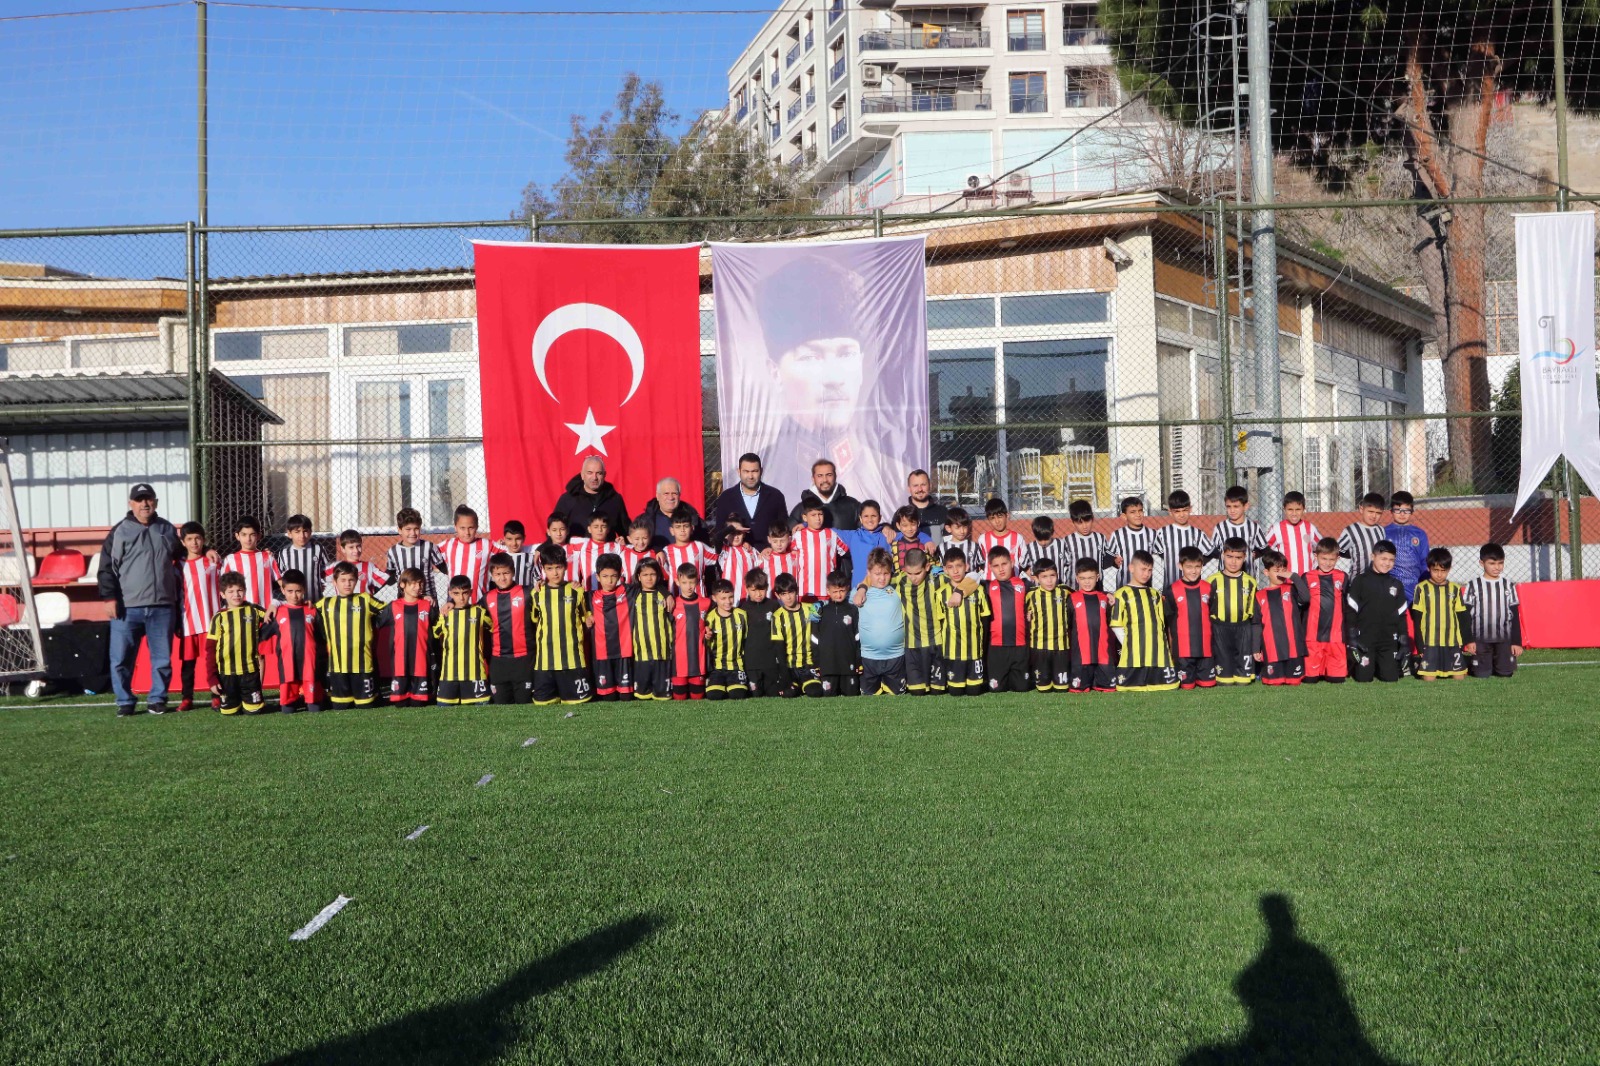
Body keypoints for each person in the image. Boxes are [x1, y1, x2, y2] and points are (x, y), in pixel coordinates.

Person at [749, 254, 909, 507]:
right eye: (811, 357)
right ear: (775, 371)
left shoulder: (897, 479)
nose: (833, 378)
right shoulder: (760, 477)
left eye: (846, 354)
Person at [100, 483, 187, 716]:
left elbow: (184, 553)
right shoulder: (120, 531)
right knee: (120, 659)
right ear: (131, 504)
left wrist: (206, 548)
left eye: (148, 499)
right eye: (139, 500)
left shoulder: (166, 529)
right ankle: (125, 701)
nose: (145, 504)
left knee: (161, 659)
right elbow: (107, 568)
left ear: (156, 502)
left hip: (162, 607)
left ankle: (157, 699)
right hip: (127, 608)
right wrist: (109, 597)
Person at [317, 560, 384, 708]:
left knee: (365, 706)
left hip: (363, 665)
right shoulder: (325, 604)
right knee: (341, 707)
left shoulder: (365, 599)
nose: (347, 584)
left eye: (351, 580)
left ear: (356, 581)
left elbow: (389, 610)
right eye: (343, 580)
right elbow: (306, 613)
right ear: (334, 582)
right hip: (337, 667)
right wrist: (277, 604)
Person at [530, 544, 592, 706]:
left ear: (565, 566)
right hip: (545, 659)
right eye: (550, 568)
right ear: (543, 569)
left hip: (572, 658)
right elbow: (534, 620)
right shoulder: (537, 593)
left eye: (558, 567)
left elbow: (587, 617)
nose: (555, 572)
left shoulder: (576, 591)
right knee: (543, 705)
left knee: (578, 703)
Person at [1343, 540, 1410, 684]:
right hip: (1365, 639)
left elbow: (1402, 615)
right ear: (1373, 556)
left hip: (1388, 640)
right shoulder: (1360, 581)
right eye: (1383, 558)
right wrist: (1352, 637)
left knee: (1391, 678)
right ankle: (1353, 664)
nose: (1387, 563)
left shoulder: (1396, 584)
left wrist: (1404, 640)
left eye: (1391, 560)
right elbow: (1351, 611)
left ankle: (1384, 664)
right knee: (1363, 678)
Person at [1110, 550, 1178, 692]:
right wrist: (1129, 643)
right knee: (1128, 687)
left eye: (1149, 570)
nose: (1146, 573)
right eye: (1143, 569)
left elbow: (1161, 624)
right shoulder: (1121, 593)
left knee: (1166, 686)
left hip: (1157, 649)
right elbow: (1116, 624)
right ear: (1131, 568)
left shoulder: (1155, 594)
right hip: (1134, 650)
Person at [207, 572, 269, 715]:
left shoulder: (254, 610)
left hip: (250, 671)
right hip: (226, 673)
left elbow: (273, 616)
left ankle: (251, 699)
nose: (236, 594)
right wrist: (211, 677)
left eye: (240, 590)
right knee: (229, 712)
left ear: (245, 591)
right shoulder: (219, 617)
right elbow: (210, 649)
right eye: (231, 591)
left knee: (255, 711)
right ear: (222, 594)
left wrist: (275, 605)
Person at [264, 568, 322, 713]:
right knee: (287, 710)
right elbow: (262, 633)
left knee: (315, 708)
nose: (294, 595)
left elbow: (322, 636)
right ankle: (291, 699)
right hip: (287, 663)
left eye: (298, 591)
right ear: (283, 590)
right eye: (290, 591)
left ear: (304, 590)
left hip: (310, 663)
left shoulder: (312, 610)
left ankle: (310, 698)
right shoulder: (277, 613)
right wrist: (274, 603)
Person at [176, 521, 220, 713]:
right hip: (188, 621)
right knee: (188, 663)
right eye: (190, 539)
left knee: (214, 660)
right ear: (183, 542)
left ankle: (217, 696)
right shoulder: (178, 565)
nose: (194, 543)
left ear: (203, 540)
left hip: (211, 621)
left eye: (198, 538)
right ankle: (187, 698)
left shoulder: (213, 561)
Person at [1411, 547, 1471, 681]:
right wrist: (1420, 647)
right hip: (1430, 641)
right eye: (1435, 570)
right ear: (1428, 568)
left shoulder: (1455, 589)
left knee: (1459, 677)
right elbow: (1417, 619)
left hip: (1451, 641)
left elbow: (1462, 616)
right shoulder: (1421, 588)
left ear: (1449, 569)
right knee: (1429, 679)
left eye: (1443, 571)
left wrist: (1466, 641)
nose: (1439, 574)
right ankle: (1418, 664)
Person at [1462, 543, 1522, 678]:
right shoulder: (1473, 585)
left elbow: (1514, 616)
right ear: (1481, 563)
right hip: (1481, 638)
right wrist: (1469, 640)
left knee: (1505, 673)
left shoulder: (1508, 585)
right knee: (1481, 674)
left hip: (1503, 638)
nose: (1497, 567)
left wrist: (1516, 642)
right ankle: (1469, 661)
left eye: (1500, 563)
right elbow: (1465, 615)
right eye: (1492, 563)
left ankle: (1500, 660)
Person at [483, 553, 536, 705]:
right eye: (498, 574)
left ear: (513, 572)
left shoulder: (528, 593)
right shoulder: (487, 598)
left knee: (524, 705)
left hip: (524, 659)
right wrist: (450, 604)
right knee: (501, 707)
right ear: (492, 575)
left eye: (506, 573)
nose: (502, 578)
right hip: (499, 661)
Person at [709, 453, 790, 551]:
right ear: (739, 472)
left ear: (761, 471)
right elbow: (719, 530)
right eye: (746, 471)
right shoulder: (726, 497)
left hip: (768, 557)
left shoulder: (775, 496)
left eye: (754, 471)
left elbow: (784, 528)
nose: (750, 476)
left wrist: (771, 548)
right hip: (738, 558)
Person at [380, 568, 436, 705]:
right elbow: (376, 622)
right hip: (400, 660)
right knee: (400, 704)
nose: (418, 587)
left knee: (419, 704)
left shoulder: (427, 606)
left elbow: (437, 626)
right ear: (402, 585)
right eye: (413, 584)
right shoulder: (393, 606)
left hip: (421, 660)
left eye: (421, 584)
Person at [1296, 538, 1349, 684]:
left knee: (1336, 679)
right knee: (1310, 679)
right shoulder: (1307, 577)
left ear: (1338, 558)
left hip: (1335, 637)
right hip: (1312, 636)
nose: (1327, 563)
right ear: (1316, 556)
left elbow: (1346, 605)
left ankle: (1333, 668)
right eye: (1323, 558)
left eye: (1331, 559)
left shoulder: (1343, 577)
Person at [1164, 546, 1217, 690]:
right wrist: (1172, 648)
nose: (1193, 571)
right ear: (1180, 566)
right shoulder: (1172, 590)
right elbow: (1169, 621)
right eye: (1189, 567)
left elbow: (1213, 615)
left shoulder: (1208, 588)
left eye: (1197, 567)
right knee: (1186, 687)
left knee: (1208, 686)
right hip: (1183, 650)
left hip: (1205, 648)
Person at [856, 548, 907, 696]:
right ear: (869, 572)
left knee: (898, 697)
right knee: (868, 698)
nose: (882, 578)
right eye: (877, 574)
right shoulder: (858, 594)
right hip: (869, 658)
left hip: (896, 656)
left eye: (886, 573)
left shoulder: (897, 589)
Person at [939, 547, 989, 696]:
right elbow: (941, 622)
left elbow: (985, 618)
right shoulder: (940, 593)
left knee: (974, 691)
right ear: (945, 570)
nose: (955, 571)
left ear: (966, 566)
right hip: (953, 652)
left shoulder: (979, 590)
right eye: (950, 567)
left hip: (974, 650)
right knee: (955, 692)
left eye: (959, 566)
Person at [1208, 537, 1258, 685]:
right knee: (1224, 681)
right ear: (1222, 555)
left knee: (1243, 682)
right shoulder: (1212, 581)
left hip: (1243, 629)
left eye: (1238, 558)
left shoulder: (1250, 582)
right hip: (1220, 629)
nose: (1233, 562)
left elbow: (1253, 613)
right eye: (1229, 556)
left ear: (1245, 558)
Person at [434, 576, 491, 705]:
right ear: (450, 594)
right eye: (456, 594)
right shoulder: (445, 615)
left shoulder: (480, 612)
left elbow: (495, 629)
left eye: (465, 593)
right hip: (449, 672)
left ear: (471, 592)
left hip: (475, 671)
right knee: (443, 711)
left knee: (483, 712)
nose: (461, 598)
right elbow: (434, 635)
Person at [1253, 550, 1307, 686]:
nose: (1281, 574)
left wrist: (1294, 576)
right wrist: (1255, 648)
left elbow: (1306, 598)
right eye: (1277, 570)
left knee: (1294, 682)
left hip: (1293, 647)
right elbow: (1256, 624)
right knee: (1274, 682)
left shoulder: (1291, 589)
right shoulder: (1260, 595)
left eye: (1284, 570)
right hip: (1272, 648)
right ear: (1266, 572)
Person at [982, 546, 1031, 693]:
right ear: (990, 568)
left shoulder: (1024, 584)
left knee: (1022, 688)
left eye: (1004, 564)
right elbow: (969, 579)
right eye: (996, 566)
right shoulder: (986, 586)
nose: (1001, 569)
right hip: (997, 647)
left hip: (1020, 645)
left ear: (1011, 562)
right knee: (996, 689)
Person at [551, 455, 631, 540]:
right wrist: (542, 549)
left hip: (605, 551)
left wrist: (624, 541)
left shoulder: (615, 500)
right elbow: (553, 528)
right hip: (575, 552)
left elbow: (627, 532)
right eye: (590, 472)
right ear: (582, 475)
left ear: (604, 475)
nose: (594, 477)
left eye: (599, 473)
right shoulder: (567, 499)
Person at [1067, 558, 1116, 693]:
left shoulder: (1104, 598)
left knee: (1108, 688)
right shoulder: (1072, 598)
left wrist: (1108, 594)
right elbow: (1069, 623)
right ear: (1077, 578)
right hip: (1081, 654)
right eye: (1083, 578)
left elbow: (1108, 620)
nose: (1087, 582)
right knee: (1079, 689)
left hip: (1102, 651)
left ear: (1098, 577)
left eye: (1091, 578)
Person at [589, 554, 635, 700]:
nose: (609, 580)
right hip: (602, 653)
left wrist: (667, 594)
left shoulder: (629, 591)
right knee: (608, 698)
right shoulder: (589, 596)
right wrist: (586, 616)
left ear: (620, 575)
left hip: (624, 652)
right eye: (605, 576)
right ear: (597, 577)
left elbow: (651, 586)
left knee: (626, 697)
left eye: (613, 576)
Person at [628, 560, 674, 701]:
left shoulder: (664, 595)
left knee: (662, 696)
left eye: (653, 574)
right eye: (645, 574)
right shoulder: (633, 594)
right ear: (638, 576)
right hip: (641, 651)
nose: (649, 578)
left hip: (662, 650)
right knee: (642, 695)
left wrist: (667, 593)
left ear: (658, 576)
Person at [771, 572, 821, 697]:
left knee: (816, 692)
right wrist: (784, 673)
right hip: (790, 666)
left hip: (807, 664)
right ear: (778, 595)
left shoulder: (811, 609)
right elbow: (778, 647)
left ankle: (803, 684)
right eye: (784, 594)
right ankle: (796, 685)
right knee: (788, 694)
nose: (788, 597)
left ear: (796, 591)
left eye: (791, 592)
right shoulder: (777, 616)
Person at [1026, 557, 1071, 693]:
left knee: (1061, 688)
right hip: (1040, 647)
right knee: (1043, 689)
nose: (1049, 580)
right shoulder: (1030, 595)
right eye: (1044, 577)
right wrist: (1026, 616)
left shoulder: (1065, 592)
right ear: (1037, 578)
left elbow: (1084, 595)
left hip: (1061, 646)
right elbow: (1021, 613)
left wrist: (1108, 595)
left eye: (1052, 575)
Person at [813, 571, 862, 696]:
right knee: (828, 696)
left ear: (847, 589)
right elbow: (814, 638)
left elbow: (858, 637)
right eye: (835, 591)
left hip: (848, 664)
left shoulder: (853, 610)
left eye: (842, 591)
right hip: (828, 665)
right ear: (828, 591)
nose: (839, 595)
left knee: (852, 695)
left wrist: (858, 661)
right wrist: (816, 662)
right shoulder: (820, 610)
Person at [1203, 485, 1269, 577]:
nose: (1232, 510)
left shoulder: (1253, 527)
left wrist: (1254, 555)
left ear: (1246, 506)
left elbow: (1264, 549)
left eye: (1236, 506)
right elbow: (1212, 551)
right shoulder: (1220, 528)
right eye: (1229, 506)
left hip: (1248, 578)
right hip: (1224, 580)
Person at [738, 569, 784, 699]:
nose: (758, 594)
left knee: (773, 694)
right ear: (747, 589)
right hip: (752, 662)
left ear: (767, 588)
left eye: (762, 589)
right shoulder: (743, 608)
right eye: (754, 590)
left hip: (770, 661)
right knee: (755, 694)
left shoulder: (774, 606)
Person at [792, 499, 848, 602]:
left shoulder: (831, 534)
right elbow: (783, 552)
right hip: (805, 592)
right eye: (813, 515)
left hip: (827, 591)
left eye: (820, 514)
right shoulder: (798, 536)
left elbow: (847, 551)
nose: (818, 518)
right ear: (805, 517)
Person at [669, 563, 711, 701]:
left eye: (692, 582)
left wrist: (709, 629)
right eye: (684, 582)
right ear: (677, 582)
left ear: (697, 581)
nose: (688, 586)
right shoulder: (673, 604)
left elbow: (715, 619)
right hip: (678, 661)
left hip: (698, 659)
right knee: (679, 697)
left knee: (697, 696)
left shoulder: (706, 603)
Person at [221, 515, 280, 609]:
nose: (248, 539)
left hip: (265, 612)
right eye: (244, 534)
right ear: (237, 536)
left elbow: (281, 582)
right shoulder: (230, 560)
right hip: (240, 612)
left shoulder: (267, 557)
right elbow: (224, 587)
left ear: (259, 536)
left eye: (252, 534)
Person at [704, 580, 749, 700]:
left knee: (738, 694)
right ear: (714, 598)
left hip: (736, 665)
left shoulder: (741, 615)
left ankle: (733, 683)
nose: (728, 601)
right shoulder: (710, 618)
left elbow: (746, 639)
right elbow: (706, 644)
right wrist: (706, 637)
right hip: (716, 666)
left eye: (730, 597)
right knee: (714, 695)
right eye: (723, 598)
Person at [386, 507, 445, 600]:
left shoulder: (429, 547)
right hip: (404, 599)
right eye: (408, 529)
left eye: (416, 529)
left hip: (428, 598)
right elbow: (390, 577)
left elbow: (445, 569)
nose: (413, 533)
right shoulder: (393, 551)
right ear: (400, 530)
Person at [787, 459, 861, 531]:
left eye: (829, 475)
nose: (825, 480)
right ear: (813, 479)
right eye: (820, 476)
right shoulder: (801, 508)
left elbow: (865, 535)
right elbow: (787, 537)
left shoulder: (853, 505)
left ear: (835, 476)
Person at [659, 507, 717, 598]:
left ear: (692, 528)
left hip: (699, 598)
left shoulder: (699, 546)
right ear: (672, 531)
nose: (682, 530)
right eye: (678, 527)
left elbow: (719, 556)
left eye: (685, 526)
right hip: (676, 599)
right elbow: (664, 574)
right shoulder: (666, 551)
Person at [1152, 490, 1206, 589]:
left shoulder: (1198, 534)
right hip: (1171, 587)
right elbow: (1157, 554)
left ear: (1190, 509)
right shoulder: (1162, 533)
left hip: (1193, 587)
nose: (1181, 515)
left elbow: (1209, 553)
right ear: (1170, 512)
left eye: (1185, 510)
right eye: (1177, 511)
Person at [635, 477, 706, 549]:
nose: (670, 497)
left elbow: (704, 548)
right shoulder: (643, 521)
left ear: (679, 495)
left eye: (674, 493)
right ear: (657, 495)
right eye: (666, 493)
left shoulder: (694, 520)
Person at [442, 505, 494, 602]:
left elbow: (511, 550)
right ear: (455, 527)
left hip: (480, 603)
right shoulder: (447, 545)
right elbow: (427, 553)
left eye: (471, 528)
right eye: (462, 528)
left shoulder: (488, 545)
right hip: (455, 604)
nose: (467, 532)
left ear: (477, 527)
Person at [1105, 496, 1157, 591]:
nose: (1138, 514)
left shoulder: (1152, 534)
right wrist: (1114, 562)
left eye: (1140, 511)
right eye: (1133, 512)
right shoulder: (1117, 535)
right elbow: (1109, 558)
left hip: (1146, 585)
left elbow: (1159, 559)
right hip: (1124, 585)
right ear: (1124, 516)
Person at [1384, 490, 1431, 596]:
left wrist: (1425, 584)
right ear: (1391, 511)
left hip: (1415, 585)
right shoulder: (1383, 533)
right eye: (1398, 510)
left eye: (1406, 510)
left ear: (1412, 511)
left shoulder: (1419, 534)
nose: (1402, 514)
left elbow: (1425, 561)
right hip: (1390, 586)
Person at [1267, 491, 1322, 576]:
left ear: (1303, 509)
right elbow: (1266, 548)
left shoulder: (1310, 528)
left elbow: (1322, 547)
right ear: (1284, 509)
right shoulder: (1276, 529)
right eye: (1290, 510)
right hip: (1285, 579)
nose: (1294, 513)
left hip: (1307, 578)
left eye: (1298, 510)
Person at [275, 514, 328, 602]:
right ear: (289, 534)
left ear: (310, 532)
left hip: (316, 601)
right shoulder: (284, 553)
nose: (302, 535)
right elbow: (281, 577)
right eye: (297, 532)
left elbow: (327, 572)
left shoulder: (318, 549)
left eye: (305, 531)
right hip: (294, 603)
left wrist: (323, 585)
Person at [1061, 500, 1109, 592]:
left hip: (1096, 588)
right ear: (1073, 522)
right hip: (1073, 589)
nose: (1084, 526)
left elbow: (1106, 560)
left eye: (1087, 521)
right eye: (1080, 523)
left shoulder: (1100, 538)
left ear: (1092, 519)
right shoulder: (1067, 541)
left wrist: (1115, 561)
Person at [1337, 493, 1389, 576]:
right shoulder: (1351, 530)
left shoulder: (1381, 530)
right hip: (1357, 580)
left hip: (1377, 579)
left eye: (1378, 513)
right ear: (1361, 509)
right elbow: (1337, 550)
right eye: (1370, 511)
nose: (1374, 516)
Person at [975, 498, 1026, 578]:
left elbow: (1024, 563)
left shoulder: (1018, 538)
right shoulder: (983, 539)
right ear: (988, 519)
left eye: (1000, 516)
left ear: (1007, 515)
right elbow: (981, 563)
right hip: (990, 584)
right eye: (992, 518)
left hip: (1012, 585)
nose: (997, 521)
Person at [327, 530, 388, 597]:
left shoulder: (369, 567)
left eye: (358, 546)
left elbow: (385, 580)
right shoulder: (336, 567)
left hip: (364, 606)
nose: (356, 550)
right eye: (351, 547)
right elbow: (318, 577)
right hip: (343, 606)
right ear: (343, 549)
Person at [715, 517, 763, 603]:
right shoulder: (725, 550)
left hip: (749, 599)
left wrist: (767, 550)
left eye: (739, 533)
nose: (736, 537)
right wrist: (732, 528)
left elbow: (762, 566)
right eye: (732, 533)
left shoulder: (751, 550)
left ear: (744, 534)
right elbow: (717, 538)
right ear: (726, 535)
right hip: (730, 600)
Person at [904, 469, 950, 545]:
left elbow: (950, 540)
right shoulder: (903, 514)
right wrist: (886, 527)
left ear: (930, 486)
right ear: (909, 489)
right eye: (915, 485)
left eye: (923, 485)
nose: (920, 489)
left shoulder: (943, 512)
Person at [941, 506, 985, 578]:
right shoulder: (941, 548)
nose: (962, 531)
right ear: (948, 528)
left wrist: (977, 578)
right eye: (957, 527)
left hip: (970, 585)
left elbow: (982, 566)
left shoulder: (974, 547)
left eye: (965, 527)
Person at [494, 519, 539, 587]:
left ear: (524, 538)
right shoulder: (498, 557)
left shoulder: (531, 557)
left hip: (526, 596)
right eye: (509, 539)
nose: (514, 543)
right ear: (504, 539)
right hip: (504, 596)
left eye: (518, 539)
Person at [887, 505, 933, 572]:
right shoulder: (893, 541)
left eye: (913, 524)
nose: (909, 529)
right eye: (905, 525)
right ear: (898, 526)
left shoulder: (925, 543)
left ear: (918, 523)